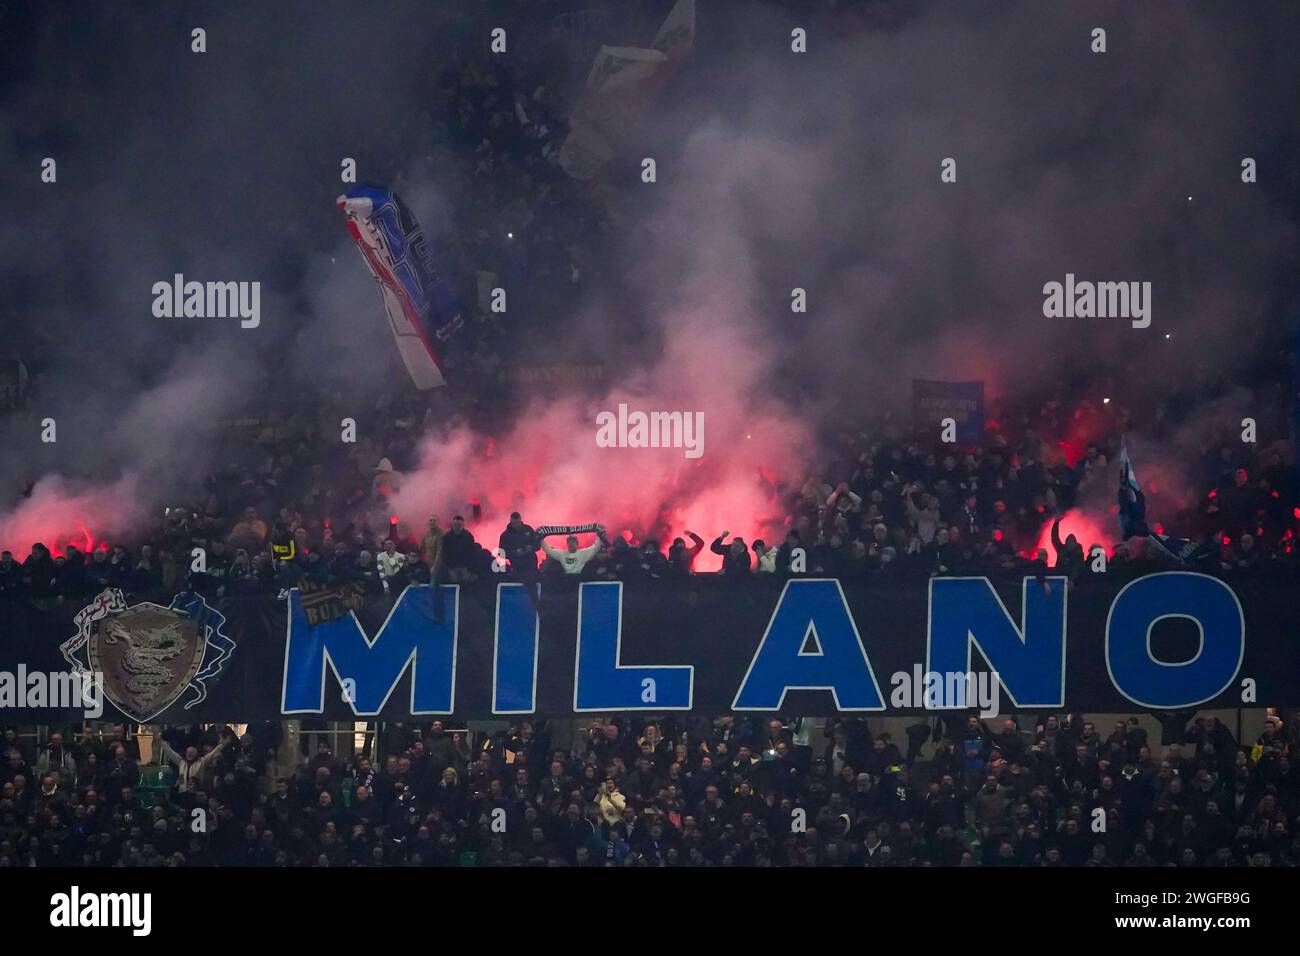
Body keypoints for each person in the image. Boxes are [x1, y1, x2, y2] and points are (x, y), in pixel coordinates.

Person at [540, 525, 608, 575]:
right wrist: (540, 538)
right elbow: (548, 550)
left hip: (578, 579)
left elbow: (596, 547)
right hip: (566, 580)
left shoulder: (583, 553)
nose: (571, 543)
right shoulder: (561, 554)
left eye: (573, 541)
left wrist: (599, 534)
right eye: (569, 541)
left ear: (577, 543)